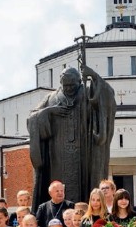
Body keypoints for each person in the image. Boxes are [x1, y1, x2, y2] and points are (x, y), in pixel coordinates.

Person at [28, 65, 116, 211]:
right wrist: (49, 112)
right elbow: (32, 119)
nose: (68, 88)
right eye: (65, 85)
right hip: (57, 157)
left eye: (72, 85)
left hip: (84, 156)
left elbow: (107, 97)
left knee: (85, 189)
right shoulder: (51, 99)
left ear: (79, 82)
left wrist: (93, 76)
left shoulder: (88, 94)